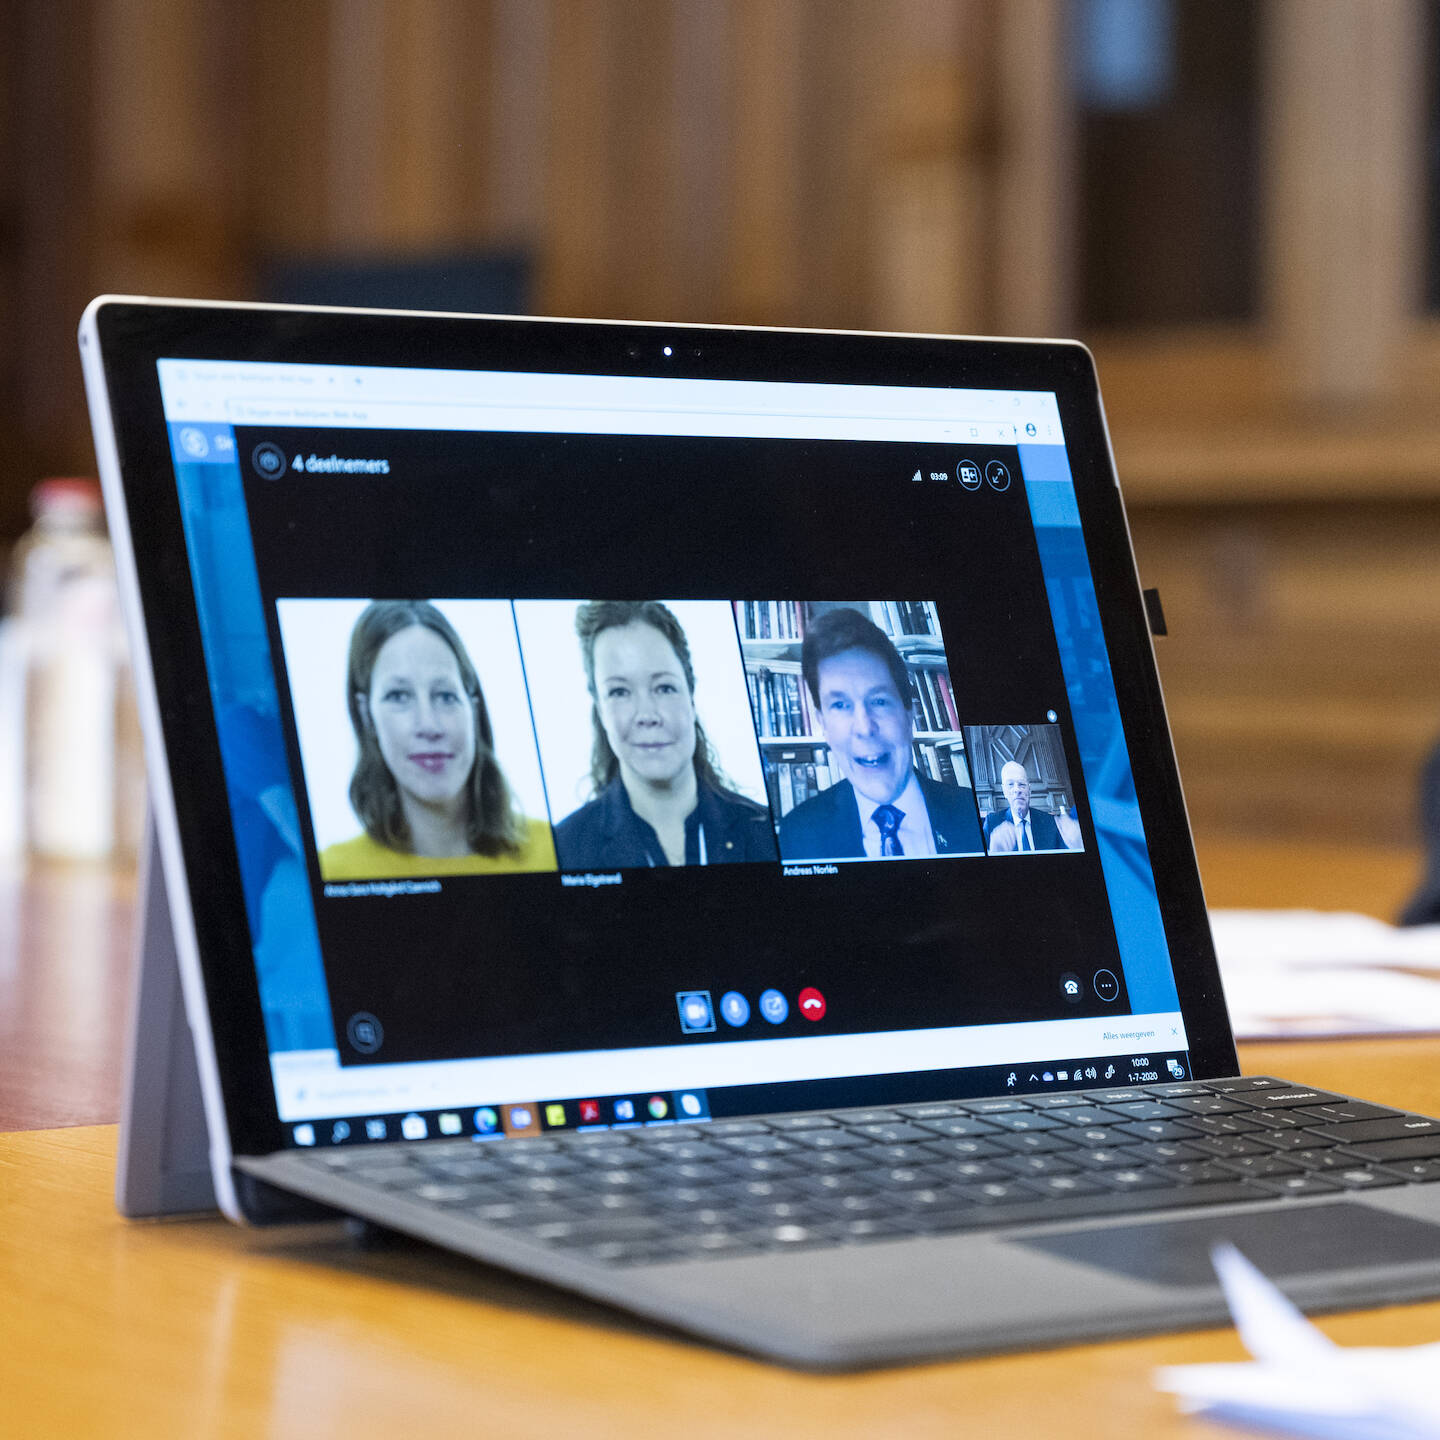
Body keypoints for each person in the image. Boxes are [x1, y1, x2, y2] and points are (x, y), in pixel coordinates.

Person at [319, 600, 556, 879]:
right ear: (366, 714)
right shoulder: (334, 871)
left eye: (445, 696)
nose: (429, 725)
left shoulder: (556, 849)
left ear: (473, 710)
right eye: (398, 696)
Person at [552, 600, 777, 869]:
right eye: (619, 692)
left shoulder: (766, 832)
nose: (647, 715)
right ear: (600, 710)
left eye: (664, 688)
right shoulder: (564, 849)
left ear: (691, 696)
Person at [777, 607, 982, 861]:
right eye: (840, 705)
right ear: (823, 725)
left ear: (909, 715)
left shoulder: (976, 816)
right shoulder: (797, 834)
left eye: (880, 701)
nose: (864, 728)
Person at [983, 759, 1079, 854]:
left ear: (1029, 790)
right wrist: (994, 853)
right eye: (1010, 784)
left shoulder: (1050, 822)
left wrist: (1076, 845)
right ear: (1004, 791)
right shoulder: (991, 823)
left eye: (1021, 784)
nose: (1017, 789)